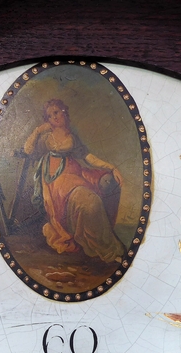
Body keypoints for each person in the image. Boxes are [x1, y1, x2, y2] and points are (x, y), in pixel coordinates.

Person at [24, 99, 125, 263]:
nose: (54, 117)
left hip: (73, 175)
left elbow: (88, 157)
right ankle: (106, 250)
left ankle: (104, 247)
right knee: (89, 202)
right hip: (53, 181)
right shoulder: (46, 138)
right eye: (49, 116)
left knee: (92, 201)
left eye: (56, 112)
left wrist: (112, 167)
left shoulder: (72, 137)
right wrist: (37, 130)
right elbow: (28, 150)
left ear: (64, 111)